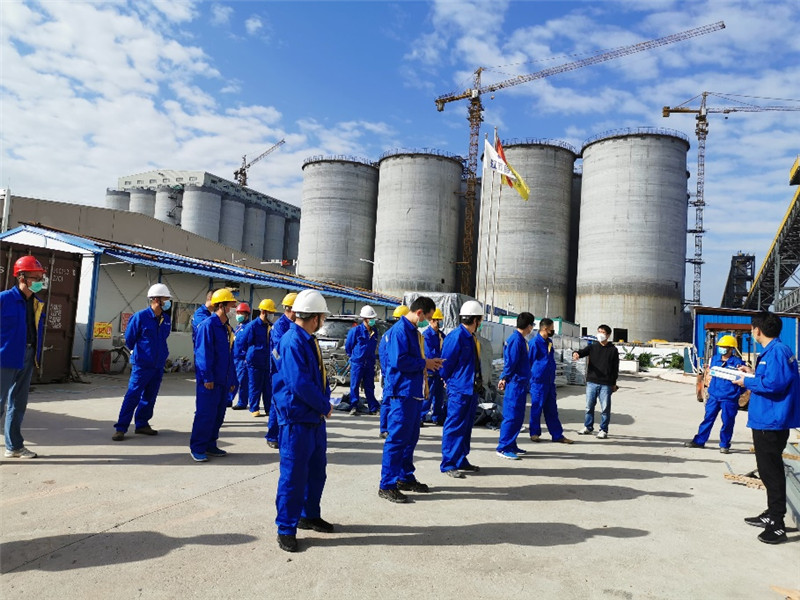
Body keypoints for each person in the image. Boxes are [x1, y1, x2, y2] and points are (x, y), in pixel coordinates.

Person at [272, 289, 335, 552]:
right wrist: (324, 405)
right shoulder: (292, 341)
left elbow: (318, 376)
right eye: (323, 317)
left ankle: (309, 515)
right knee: (294, 475)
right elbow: (299, 383)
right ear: (315, 317)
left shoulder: (308, 339)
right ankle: (286, 528)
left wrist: (324, 401)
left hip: (313, 418)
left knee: (316, 471)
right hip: (297, 419)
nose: (323, 321)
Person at [734, 311, 800, 545]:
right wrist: (752, 374)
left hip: (771, 421)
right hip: (768, 419)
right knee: (767, 470)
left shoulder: (777, 352)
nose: (753, 332)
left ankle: (777, 523)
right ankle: (772, 514)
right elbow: (773, 378)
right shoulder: (774, 351)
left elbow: (775, 384)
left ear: (758, 330)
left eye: (753, 329)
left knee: (770, 472)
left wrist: (747, 381)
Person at [379, 296, 443, 502]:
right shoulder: (400, 331)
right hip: (402, 393)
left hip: (413, 393)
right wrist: (425, 363)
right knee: (397, 439)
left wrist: (428, 362)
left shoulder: (413, 331)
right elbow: (399, 361)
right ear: (420, 313)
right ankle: (387, 484)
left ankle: (404, 477)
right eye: (428, 317)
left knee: (410, 438)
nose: (428, 322)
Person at [0, 255, 47, 458]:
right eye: (36, 277)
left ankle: (14, 446)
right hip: (4, 357)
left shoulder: (36, 303)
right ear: (21, 277)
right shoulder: (4, 299)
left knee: (18, 404)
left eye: (41, 277)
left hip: (27, 355)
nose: (40, 281)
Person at [112, 283, 172, 441]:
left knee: (150, 396)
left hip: (158, 365)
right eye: (165, 299)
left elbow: (163, 338)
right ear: (156, 299)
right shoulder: (140, 317)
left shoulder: (166, 319)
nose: (168, 302)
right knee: (133, 395)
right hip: (142, 365)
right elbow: (130, 339)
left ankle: (142, 424)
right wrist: (140, 353)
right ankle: (121, 428)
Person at [190, 288, 237, 462]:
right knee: (205, 414)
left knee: (218, 415)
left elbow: (230, 356)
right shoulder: (208, 325)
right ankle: (197, 447)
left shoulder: (226, 328)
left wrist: (232, 378)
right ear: (221, 306)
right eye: (231, 305)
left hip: (223, 379)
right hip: (210, 380)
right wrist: (207, 377)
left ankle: (210, 444)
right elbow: (203, 354)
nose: (234, 309)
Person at [439, 300, 485, 478]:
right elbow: (445, 364)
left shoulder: (471, 337)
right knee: (454, 426)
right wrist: (448, 380)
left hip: (471, 389)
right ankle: (448, 463)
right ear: (475, 320)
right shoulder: (456, 337)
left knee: (466, 427)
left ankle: (460, 459)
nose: (480, 323)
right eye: (480, 319)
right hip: (459, 389)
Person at [683, 335, 743, 453]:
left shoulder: (738, 363)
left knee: (727, 422)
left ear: (731, 349)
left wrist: (736, 393)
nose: (721, 349)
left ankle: (724, 444)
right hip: (714, 396)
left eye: (724, 347)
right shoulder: (715, 359)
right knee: (708, 419)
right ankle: (699, 441)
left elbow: (744, 381)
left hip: (729, 399)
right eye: (720, 346)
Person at [496, 312, 535, 460]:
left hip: (520, 383)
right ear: (529, 326)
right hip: (515, 383)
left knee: (518, 416)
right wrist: (504, 377)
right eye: (532, 325)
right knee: (511, 415)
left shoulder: (521, 339)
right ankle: (503, 447)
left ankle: (511, 444)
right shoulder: (515, 340)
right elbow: (510, 363)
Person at [529, 318, 573, 444]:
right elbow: (529, 361)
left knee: (552, 410)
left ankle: (557, 435)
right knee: (537, 408)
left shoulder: (549, 342)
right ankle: (534, 433)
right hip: (538, 382)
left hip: (549, 382)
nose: (553, 331)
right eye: (552, 329)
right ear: (545, 328)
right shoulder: (534, 343)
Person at [573, 324, 620, 439]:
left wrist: (613, 383)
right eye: (599, 331)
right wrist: (576, 353)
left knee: (605, 408)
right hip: (592, 382)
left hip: (606, 384)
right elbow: (582, 352)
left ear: (608, 335)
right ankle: (588, 427)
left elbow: (615, 368)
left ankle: (603, 430)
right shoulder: (593, 347)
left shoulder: (613, 350)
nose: (600, 334)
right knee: (589, 407)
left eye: (602, 332)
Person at [266, 292, 298, 449]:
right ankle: (272, 435)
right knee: (277, 403)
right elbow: (278, 351)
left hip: (292, 371)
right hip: (280, 371)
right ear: (291, 309)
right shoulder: (280, 326)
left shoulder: (295, 325)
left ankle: (286, 435)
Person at [239, 299, 278, 417]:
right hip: (254, 362)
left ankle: (268, 408)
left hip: (267, 362)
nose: (272, 315)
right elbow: (242, 342)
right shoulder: (253, 326)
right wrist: (246, 357)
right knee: (255, 386)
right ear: (263, 312)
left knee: (268, 387)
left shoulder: (270, 327)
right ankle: (254, 408)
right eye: (270, 312)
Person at [379, 305, 409, 438]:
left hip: (390, 374)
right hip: (392, 375)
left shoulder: (391, 333)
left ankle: (388, 428)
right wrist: (387, 373)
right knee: (388, 402)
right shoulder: (395, 334)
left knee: (391, 402)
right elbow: (386, 356)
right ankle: (384, 429)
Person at [345, 305, 380, 416]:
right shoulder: (356, 331)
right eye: (371, 318)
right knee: (354, 385)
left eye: (373, 318)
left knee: (369, 386)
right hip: (358, 363)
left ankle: (373, 408)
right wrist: (354, 357)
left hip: (369, 363)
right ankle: (354, 406)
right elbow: (348, 346)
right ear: (365, 319)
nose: (373, 320)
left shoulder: (374, 331)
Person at [423, 308, 446, 425]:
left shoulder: (441, 335)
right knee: (428, 395)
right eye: (438, 320)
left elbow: (446, 349)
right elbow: (429, 353)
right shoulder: (426, 335)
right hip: (431, 370)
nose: (439, 323)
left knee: (439, 396)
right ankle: (421, 416)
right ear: (432, 320)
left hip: (439, 370)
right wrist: (440, 358)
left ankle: (437, 417)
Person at [229, 302, 252, 411]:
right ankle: (228, 399)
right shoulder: (238, 327)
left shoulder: (249, 327)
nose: (238, 315)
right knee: (232, 380)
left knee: (242, 382)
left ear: (247, 315)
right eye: (238, 313)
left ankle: (242, 402)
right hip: (234, 358)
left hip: (242, 359)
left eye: (241, 313)